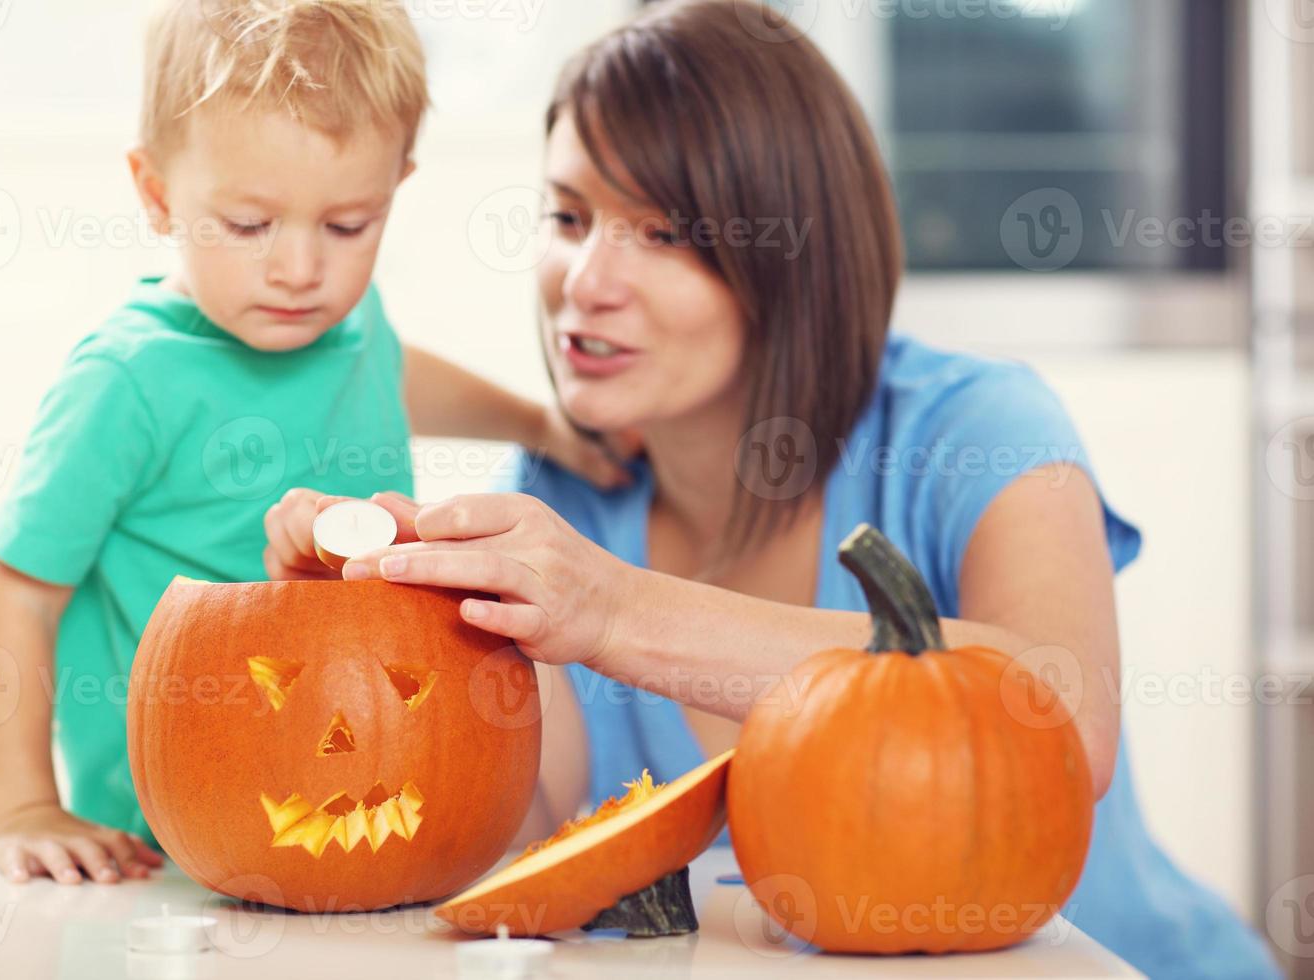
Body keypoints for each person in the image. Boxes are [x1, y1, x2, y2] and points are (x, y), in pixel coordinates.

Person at [263, 1, 1280, 975]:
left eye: (661, 233)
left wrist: (615, 608)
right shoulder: (557, 499)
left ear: (794, 258)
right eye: (568, 216)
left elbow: (1062, 715)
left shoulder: (976, 427)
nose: (585, 281)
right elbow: (510, 850)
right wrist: (367, 629)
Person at [0, 0, 627, 888]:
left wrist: (541, 426)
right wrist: (23, 810)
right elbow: (17, 596)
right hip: (167, 850)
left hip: (375, 804)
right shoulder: (127, 382)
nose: (300, 270)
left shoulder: (351, 326)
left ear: (396, 188)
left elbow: (395, 374)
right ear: (158, 193)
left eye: (348, 225)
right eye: (250, 226)